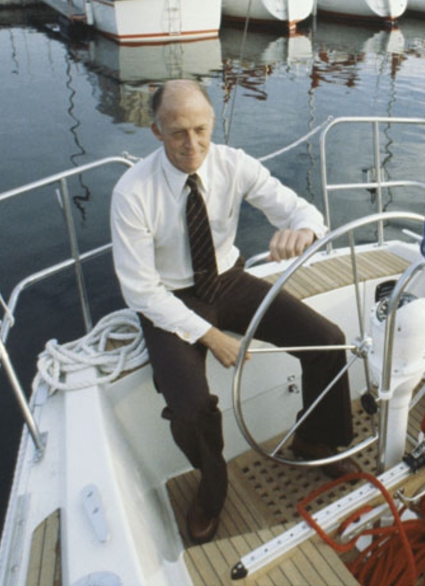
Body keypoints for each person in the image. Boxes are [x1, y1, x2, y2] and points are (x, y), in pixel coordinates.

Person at [110, 79, 357, 545]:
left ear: (212, 123)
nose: (192, 144)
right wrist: (209, 334)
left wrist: (302, 230)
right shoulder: (132, 193)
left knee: (327, 340)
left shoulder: (234, 164)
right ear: (156, 131)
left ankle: (315, 439)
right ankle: (211, 487)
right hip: (169, 300)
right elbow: (140, 290)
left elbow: (302, 211)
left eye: (201, 129)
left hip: (230, 281)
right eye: (178, 132)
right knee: (189, 407)